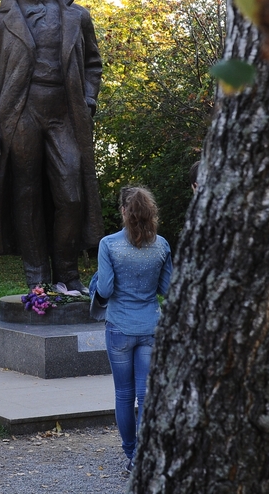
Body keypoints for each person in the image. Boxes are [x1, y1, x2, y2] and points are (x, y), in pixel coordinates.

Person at [0, 0, 103, 293]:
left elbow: (93, 63)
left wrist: (89, 98)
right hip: (19, 111)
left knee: (71, 193)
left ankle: (67, 271)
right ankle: (37, 277)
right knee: (26, 194)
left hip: (65, 111)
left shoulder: (76, 14)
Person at [89, 186, 172, 473]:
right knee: (146, 395)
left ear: (124, 211)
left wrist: (94, 285)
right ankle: (144, 454)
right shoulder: (161, 245)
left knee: (124, 394)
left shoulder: (109, 244)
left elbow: (106, 288)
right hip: (150, 325)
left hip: (120, 327)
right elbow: (166, 288)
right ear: (151, 213)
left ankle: (131, 453)